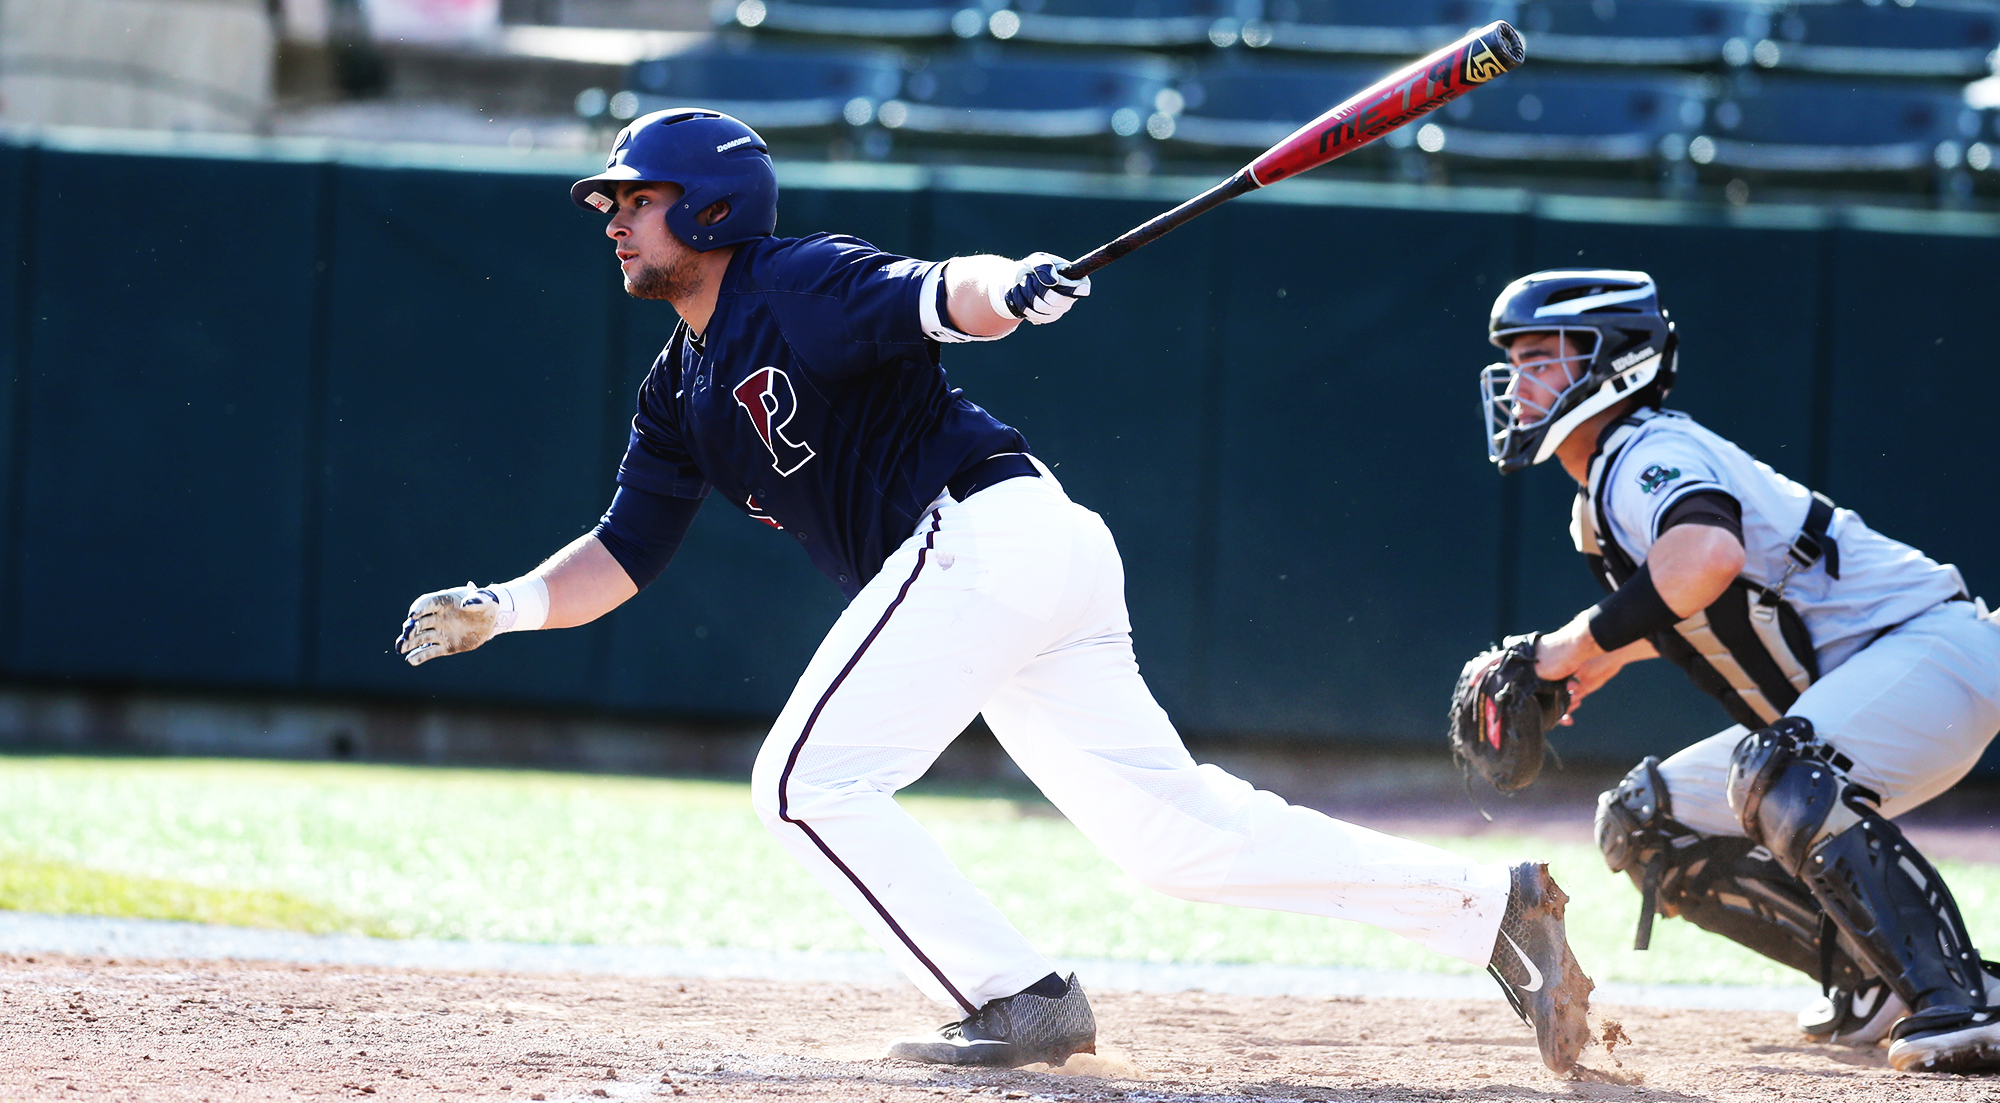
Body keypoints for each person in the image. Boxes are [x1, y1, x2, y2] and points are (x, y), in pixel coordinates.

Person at [394, 108, 1594, 1074]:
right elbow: (622, 552)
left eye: (634, 199)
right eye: (609, 202)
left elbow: (934, 290)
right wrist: (505, 605)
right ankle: (1491, 906)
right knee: (1170, 838)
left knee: (801, 785)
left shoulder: (791, 279)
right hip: (1017, 551)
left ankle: (1017, 1001)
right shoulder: (677, 386)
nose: (612, 220)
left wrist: (1007, 286)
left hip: (984, 534)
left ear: (708, 206)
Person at [1471, 268, 2000, 1074]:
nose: (1520, 381)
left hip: (1936, 653)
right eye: (1517, 360)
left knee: (1778, 767)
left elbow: (1707, 556)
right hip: (1867, 689)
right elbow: (1697, 609)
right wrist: (1583, 666)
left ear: (1612, 361)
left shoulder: (1651, 448)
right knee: (1643, 818)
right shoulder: (1597, 497)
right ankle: (1878, 977)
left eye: (1542, 356)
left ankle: (1964, 995)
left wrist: (1567, 647)